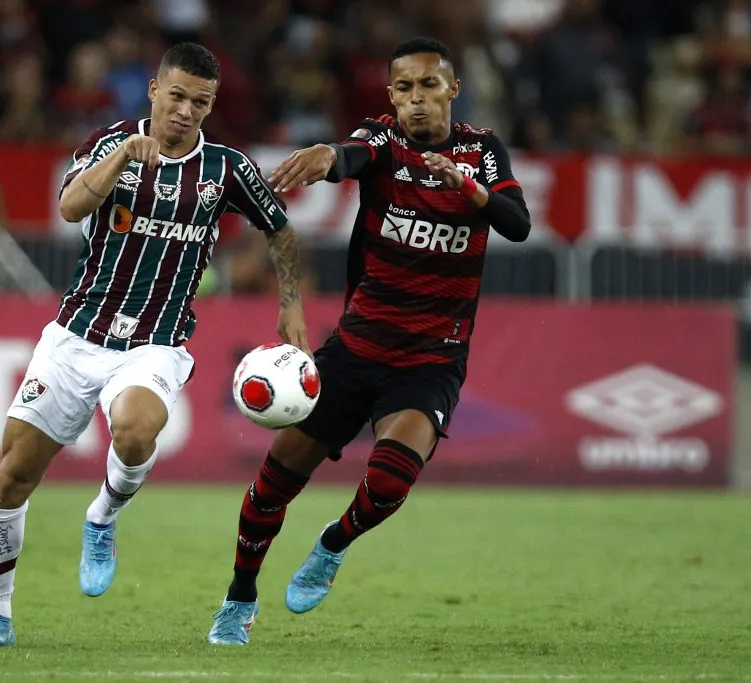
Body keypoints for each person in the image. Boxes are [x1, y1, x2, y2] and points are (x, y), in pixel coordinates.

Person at [0, 42, 310, 648]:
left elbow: (279, 228)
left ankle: (103, 515)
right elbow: (70, 207)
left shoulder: (225, 168)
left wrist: (291, 301)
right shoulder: (110, 142)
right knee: (12, 477)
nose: (186, 111)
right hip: (76, 337)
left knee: (137, 429)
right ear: (154, 90)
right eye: (177, 96)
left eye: (201, 102)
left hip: (155, 342)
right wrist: (122, 156)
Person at [207, 37, 532, 645]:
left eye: (429, 85)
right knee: (273, 484)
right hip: (356, 350)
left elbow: (517, 224)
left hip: (430, 360)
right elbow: (350, 156)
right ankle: (239, 595)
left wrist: (466, 187)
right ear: (391, 95)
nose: (417, 99)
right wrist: (326, 155)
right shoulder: (384, 138)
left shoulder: (481, 150)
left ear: (453, 89)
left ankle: (333, 543)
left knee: (389, 481)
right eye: (404, 88)